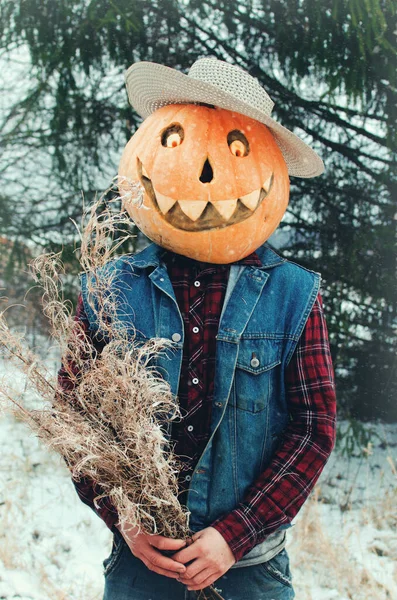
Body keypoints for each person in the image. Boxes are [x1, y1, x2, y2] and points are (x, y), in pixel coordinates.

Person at [58, 58, 337, 600]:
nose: (203, 172)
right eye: (176, 140)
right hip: (142, 564)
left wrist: (234, 536)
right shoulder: (106, 288)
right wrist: (127, 520)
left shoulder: (295, 296)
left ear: (269, 164)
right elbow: (75, 419)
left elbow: (313, 427)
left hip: (250, 568)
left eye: (236, 147)